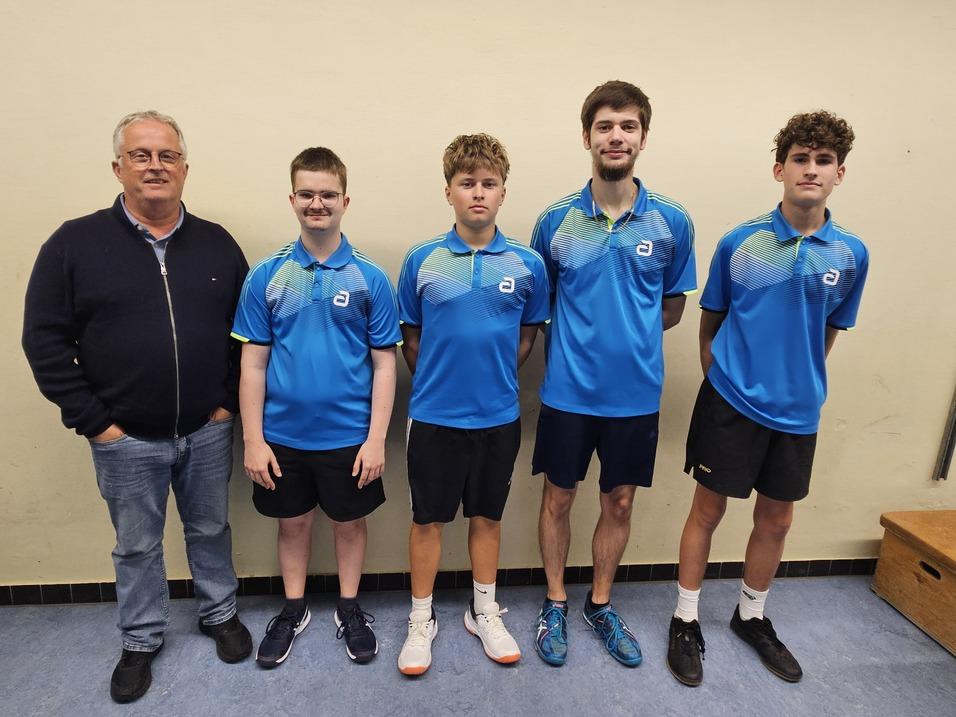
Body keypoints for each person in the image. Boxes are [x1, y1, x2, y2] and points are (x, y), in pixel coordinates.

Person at [22, 110, 252, 703]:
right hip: (126, 439)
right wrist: (97, 423)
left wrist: (226, 404)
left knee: (209, 528)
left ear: (184, 167)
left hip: (206, 428)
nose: (156, 166)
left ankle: (219, 612)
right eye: (142, 155)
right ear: (119, 166)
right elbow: (44, 340)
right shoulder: (75, 243)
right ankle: (142, 639)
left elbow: (247, 334)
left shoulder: (217, 243)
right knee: (137, 545)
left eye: (167, 155)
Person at [667, 111, 868, 687]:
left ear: (840, 173)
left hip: (798, 410)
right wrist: (724, 379)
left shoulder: (851, 254)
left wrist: (797, 379)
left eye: (823, 161)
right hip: (730, 402)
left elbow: (827, 332)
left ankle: (751, 616)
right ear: (779, 169)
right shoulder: (740, 242)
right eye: (800, 159)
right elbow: (710, 323)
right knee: (707, 511)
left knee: (776, 522)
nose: (811, 170)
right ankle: (685, 619)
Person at [531, 81, 697, 667]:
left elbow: (672, 307)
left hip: (634, 397)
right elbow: (541, 306)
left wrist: (626, 339)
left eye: (627, 126)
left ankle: (599, 603)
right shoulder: (553, 221)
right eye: (605, 126)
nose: (616, 136)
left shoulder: (672, 221)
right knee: (558, 497)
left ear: (643, 137)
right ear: (587, 137)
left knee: (619, 503)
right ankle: (555, 601)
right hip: (567, 393)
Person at [232, 147, 400, 668]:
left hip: (350, 436)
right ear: (292, 199)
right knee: (293, 524)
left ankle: (350, 608)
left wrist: (375, 439)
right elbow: (252, 366)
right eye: (307, 193)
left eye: (327, 194)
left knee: (349, 525)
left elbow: (385, 366)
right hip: (283, 437)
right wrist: (254, 440)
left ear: (345, 200)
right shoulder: (267, 275)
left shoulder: (370, 277)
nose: (317, 203)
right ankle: (294, 607)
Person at [395, 134, 550, 675]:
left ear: (503, 192)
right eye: (467, 184)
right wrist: (441, 381)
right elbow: (410, 337)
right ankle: (421, 619)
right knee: (428, 521)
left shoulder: (527, 263)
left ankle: (483, 608)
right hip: (434, 416)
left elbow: (528, 335)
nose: (477, 193)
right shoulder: (423, 260)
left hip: (497, 417)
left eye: (488, 183)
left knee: (487, 517)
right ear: (449, 192)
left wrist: (496, 377)